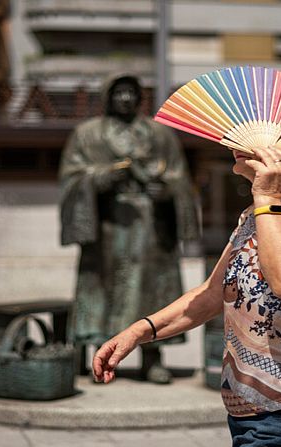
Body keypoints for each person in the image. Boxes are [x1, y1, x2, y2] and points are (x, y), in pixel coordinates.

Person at [93, 146, 281, 447]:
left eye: (254, 137)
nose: (237, 146)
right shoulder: (255, 213)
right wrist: (139, 331)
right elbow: (214, 291)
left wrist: (267, 198)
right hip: (255, 409)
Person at [59, 75, 199, 384]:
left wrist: (163, 191)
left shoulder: (160, 135)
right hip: (107, 225)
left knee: (152, 292)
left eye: (131, 92)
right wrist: (101, 178)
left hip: (151, 227)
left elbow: (179, 178)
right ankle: (103, 355)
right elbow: (71, 178)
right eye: (119, 92)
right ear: (107, 96)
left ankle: (153, 358)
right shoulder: (87, 134)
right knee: (105, 289)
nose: (125, 98)